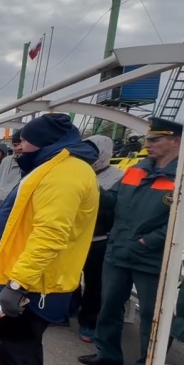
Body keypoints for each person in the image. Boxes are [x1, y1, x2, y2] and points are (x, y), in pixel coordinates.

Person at [0, 114, 99, 365]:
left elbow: (50, 235)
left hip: (35, 285)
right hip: (36, 281)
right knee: (27, 351)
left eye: (25, 141)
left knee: (16, 354)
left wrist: (17, 284)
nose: (18, 147)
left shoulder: (65, 173)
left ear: (45, 141)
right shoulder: (56, 167)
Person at [78, 118, 184, 365]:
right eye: (148, 139)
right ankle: (107, 351)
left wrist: (148, 241)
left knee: (152, 318)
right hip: (118, 250)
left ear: (175, 141)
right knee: (108, 304)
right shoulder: (136, 170)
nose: (149, 144)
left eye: (156, 140)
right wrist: (91, 190)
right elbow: (112, 200)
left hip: (153, 258)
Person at [71, 135, 124, 343]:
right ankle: (69, 309)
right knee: (70, 277)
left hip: (99, 239)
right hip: (74, 236)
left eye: (93, 152)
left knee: (95, 284)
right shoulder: (77, 172)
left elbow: (112, 206)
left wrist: (93, 187)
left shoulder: (117, 176)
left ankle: (88, 322)